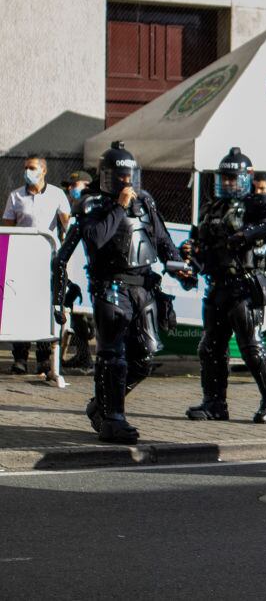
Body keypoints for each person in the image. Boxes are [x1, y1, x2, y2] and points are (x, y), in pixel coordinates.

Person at [51, 142, 192, 444]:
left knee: (144, 357)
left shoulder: (146, 202)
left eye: (131, 176)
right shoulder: (92, 206)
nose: (127, 182)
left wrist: (180, 265)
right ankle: (113, 418)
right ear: (107, 177)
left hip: (143, 287)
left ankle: (101, 405)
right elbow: (95, 240)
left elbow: (162, 240)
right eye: (120, 176)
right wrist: (119, 206)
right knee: (112, 356)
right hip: (110, 286)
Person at [183, 147, 266, 424]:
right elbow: (200, 243)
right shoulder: (212, 207)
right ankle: (214, 402)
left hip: (245, 284)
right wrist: (189, 256)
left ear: (246, 178)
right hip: (217, 284)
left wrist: (247, 234)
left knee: (251, 346)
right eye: (224, 178)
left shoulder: (258, 203)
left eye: (233, 178)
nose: (228, 183)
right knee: (210, 346)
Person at [4, 154, 71, 374]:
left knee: (44, 307)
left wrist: (66, 220)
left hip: (47, 261)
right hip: (22, 259)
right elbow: (8, 227)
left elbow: (67, 223)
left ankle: (43, 359)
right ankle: (20, 357)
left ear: (43, 170)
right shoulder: (16, 196)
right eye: (25, 168)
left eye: (32, 168)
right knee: (19, 306)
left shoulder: (56, 194)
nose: (27, 172)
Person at [59, 171, 95, 370]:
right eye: (69, 186)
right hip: (74, 269)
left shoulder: (96, 206)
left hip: (91, 268)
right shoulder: (72, 208)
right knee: (76, 312)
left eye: (75, 184)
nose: (71, 189)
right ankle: (84, 356)